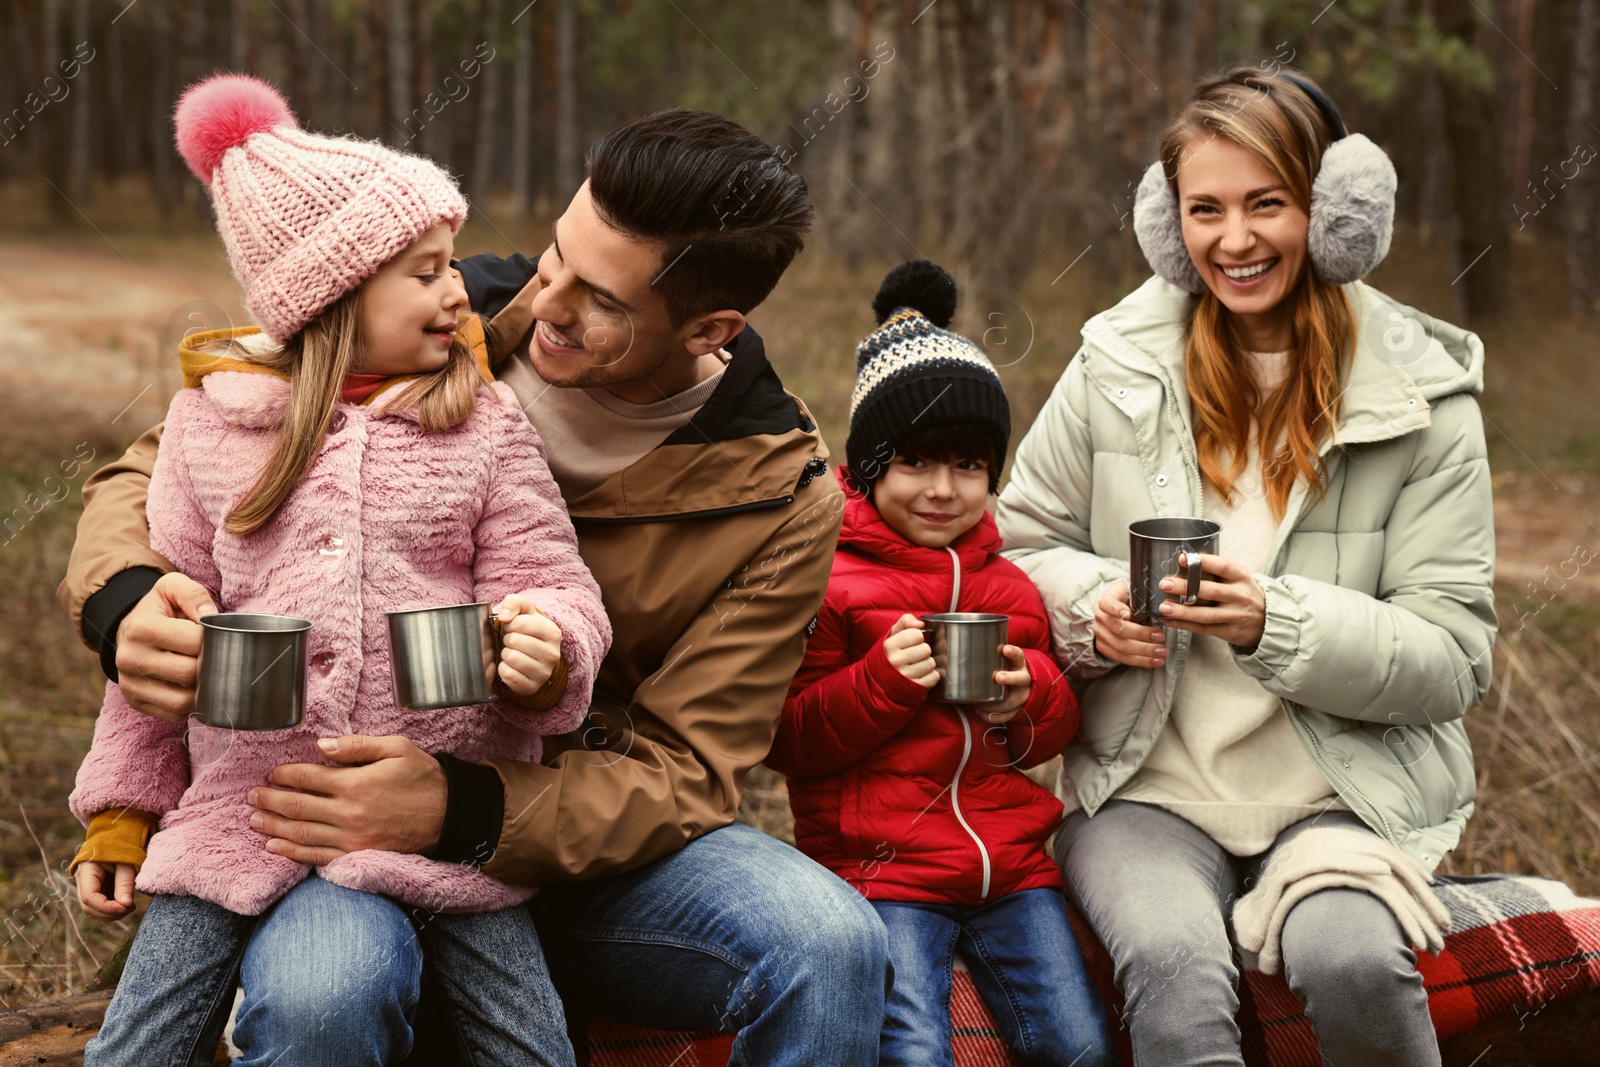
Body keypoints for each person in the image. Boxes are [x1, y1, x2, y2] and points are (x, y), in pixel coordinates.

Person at [58, 105, 889, 1064]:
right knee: (328, 985)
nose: (546, 303)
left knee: (830, 944)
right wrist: (123, 597)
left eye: (601, 301)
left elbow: (688, 770)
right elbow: (161, 464)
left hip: (583, 855)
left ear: (711, 328)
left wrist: (466, 807)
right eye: (555, 254)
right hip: (321, 808)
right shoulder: (455, 316)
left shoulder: (779, 495)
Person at [67, 74, 609, 1066]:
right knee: (134, 1044)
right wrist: (120, 812)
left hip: (440, 812)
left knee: (532, 1047)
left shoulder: (483, 424)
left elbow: (550, 572)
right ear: (333, 293)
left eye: (452, 263)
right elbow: (160, 644)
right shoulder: (213, 429)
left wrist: (549, 640)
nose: (460, 291)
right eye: (425, 270)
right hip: (242, 811)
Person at [995, 67, 1495, 1066]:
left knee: (1352, 962)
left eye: (1268, 203)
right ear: (1165, 223)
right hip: (1145, 789)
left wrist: (1279, 621)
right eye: (1205, 209)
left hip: (1342, 796)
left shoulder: (1426, 397)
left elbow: (1452, 655)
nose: (1234, 240)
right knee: (1175, 969)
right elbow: (1012, 545)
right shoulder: (1115, 365)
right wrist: (1089, 609)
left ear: (1336, 210)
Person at [767, 261, 1116, 1067]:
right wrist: (880, 683)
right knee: (914, 1052)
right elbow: (791, 738)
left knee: (1079, 1043)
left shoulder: (1010, 587)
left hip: (1011, 868)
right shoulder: (832, 582)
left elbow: (1047, 736)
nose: (943, 489)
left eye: (968, 466)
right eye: (916, 463)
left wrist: (1030, 700)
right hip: (880, 872)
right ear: (867, 467)